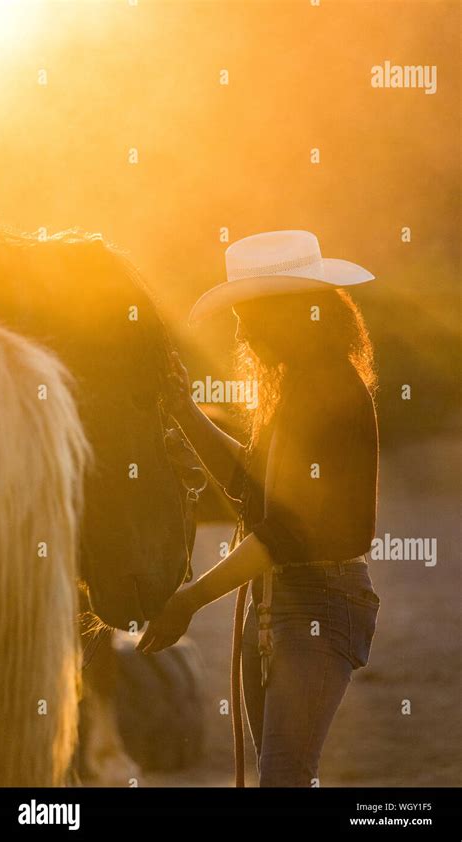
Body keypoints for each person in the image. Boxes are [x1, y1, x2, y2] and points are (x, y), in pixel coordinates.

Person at [138, 230, 381, 787]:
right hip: (280, 605)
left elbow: (289, 529)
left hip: (319, 602)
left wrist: (190, 600)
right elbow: (252, 488)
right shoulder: (297, 387)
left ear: (294, 313)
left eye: (252, 314)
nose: (242, 331)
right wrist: (183, 410)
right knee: (284, 777)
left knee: (285, 776)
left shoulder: (329, 389)